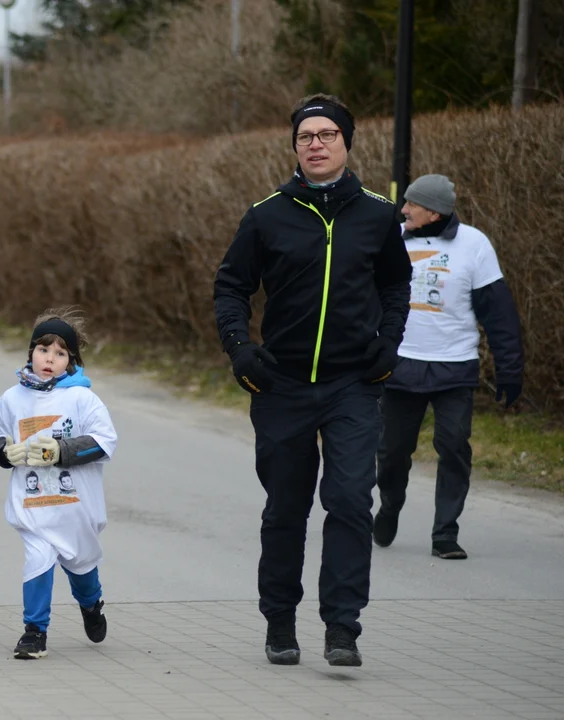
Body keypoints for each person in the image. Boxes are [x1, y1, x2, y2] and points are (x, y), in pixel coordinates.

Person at [213, 93, 413, 668]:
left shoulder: (378, 215)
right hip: (283, 384)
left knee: (350, 500)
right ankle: (279, 620)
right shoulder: (267, 214)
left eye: (328, 135)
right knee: (286, 507)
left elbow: (396, 286)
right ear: (295, 147)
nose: (317, 144)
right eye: (306, 137)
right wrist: (240, 349)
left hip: (354, 382)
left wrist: (388, 344)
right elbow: (231, 286)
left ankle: (342, 626)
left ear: (347, 143)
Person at [374, 174, 524, 561]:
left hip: (454, 366)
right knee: (391, 452)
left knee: (454, 447)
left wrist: (510, 368)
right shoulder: (390, 238)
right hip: (401, 364)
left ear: (434, 212)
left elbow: (499, 312)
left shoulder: (474, 244)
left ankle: (445, 533)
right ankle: (389, 507)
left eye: (411, 204)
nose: (402, 209)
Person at [0, 308, 118, 660]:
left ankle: (91, 605)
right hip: (32, 504)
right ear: (31, 352)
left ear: (70, 361)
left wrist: (60, 450)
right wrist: (4, 452)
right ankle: (35, 631)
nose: (50, 359)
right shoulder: (12, 399)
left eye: (60, 353)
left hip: (76, 507)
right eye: (44, 350)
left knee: (82, 566)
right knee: (38, 559)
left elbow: (105, 441)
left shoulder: (82, 399)